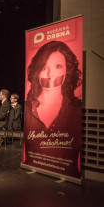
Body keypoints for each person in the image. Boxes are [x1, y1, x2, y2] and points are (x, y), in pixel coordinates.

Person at [24, 40, 82, 178]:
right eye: (44, 67)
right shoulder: (27, 108)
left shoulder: (77, 109)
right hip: (31, 176)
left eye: (58, 66)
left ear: (67, 69)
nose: (50, 74)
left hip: (69, 182)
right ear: (37, 71)